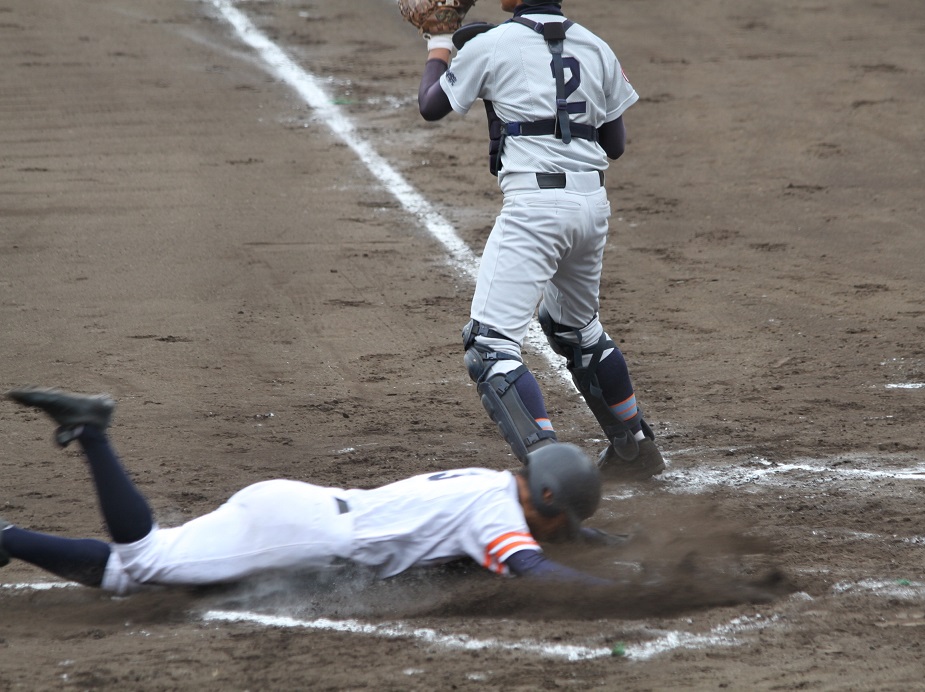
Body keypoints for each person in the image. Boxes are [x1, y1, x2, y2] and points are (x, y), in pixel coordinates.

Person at [0, 387, 619, 594]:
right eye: (559, 522)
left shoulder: (493, 483)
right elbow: (532, 567)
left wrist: (604, 538)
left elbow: (557, 531)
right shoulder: (496, 515)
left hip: (298, 512)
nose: (557, 532)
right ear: (543, 501)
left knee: (129, 577)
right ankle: (90, 432)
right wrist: (616, 591)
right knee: (148, 558)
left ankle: (7, 539)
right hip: (301, 532)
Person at [415, 0, 665, 480]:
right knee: (576, 329)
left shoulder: (490, 45)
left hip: (535, 209)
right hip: (591, 207)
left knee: (490, 348)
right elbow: (614, 144)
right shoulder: (597, 47)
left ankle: (554, 480)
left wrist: (439, 43)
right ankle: (634, 448)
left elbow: (431, 106)